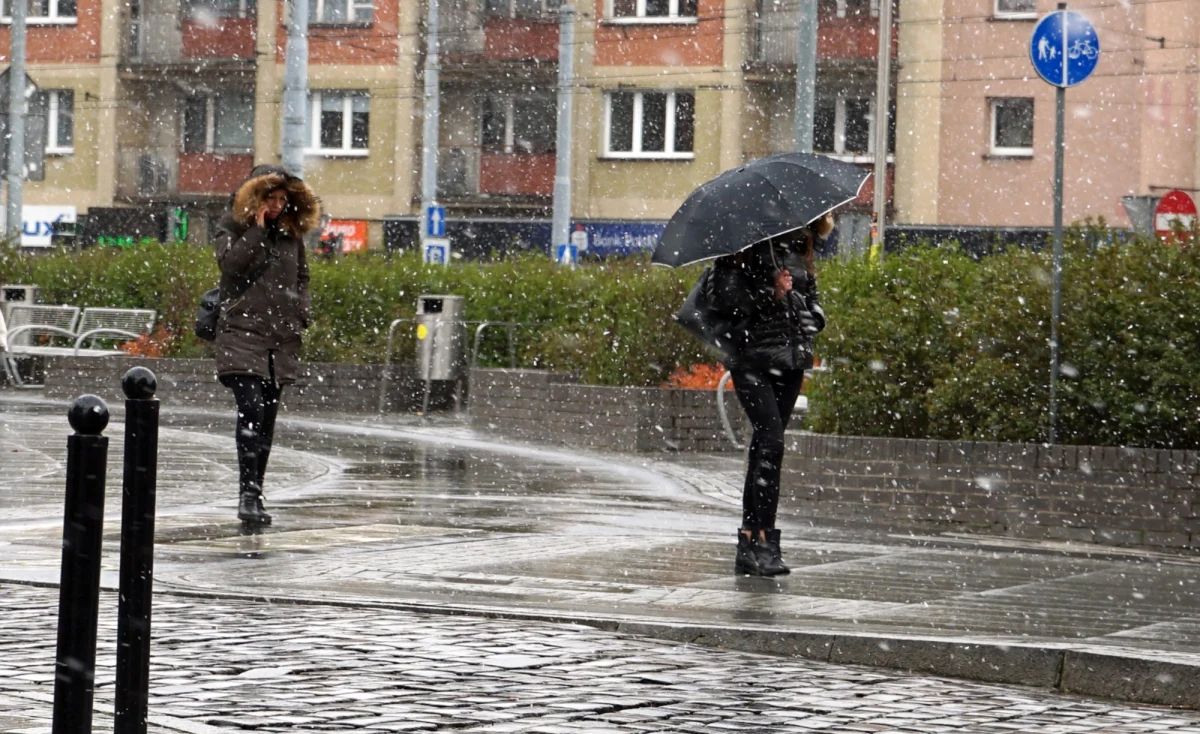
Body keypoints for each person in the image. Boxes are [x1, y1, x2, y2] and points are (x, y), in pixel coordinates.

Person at [710, 214, 831, 576]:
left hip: (791, 359)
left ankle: (750, 540)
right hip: (751, 358)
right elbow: (725, 301)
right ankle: (765, 541)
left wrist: (812, 315)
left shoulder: (801, 245)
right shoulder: (738, 250)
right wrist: (770, 292)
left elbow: (813, 298)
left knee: (765, 445)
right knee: (772, 442)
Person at [213, 165, 319, 525]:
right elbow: (231, 266)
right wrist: (257, 230)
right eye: (269, 199)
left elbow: (302, 276)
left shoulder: (291, 235)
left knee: (268, 419)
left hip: (280, 338)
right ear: (254, 198)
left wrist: (301, 311)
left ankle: (256, 491)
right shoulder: (232, 227)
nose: (275, 206)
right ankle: (246, 492)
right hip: (241, 333)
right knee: (252, 410)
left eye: (281, 200)